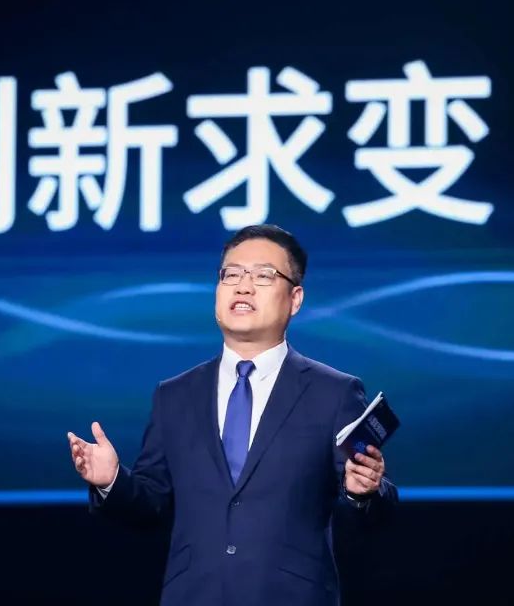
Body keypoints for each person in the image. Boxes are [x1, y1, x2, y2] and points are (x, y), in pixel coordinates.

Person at [67, 224, 397, 606]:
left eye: (263, 276)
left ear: (295, 299)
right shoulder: (174, 395)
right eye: (232, 274)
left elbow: (373, 513)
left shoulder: (334, 392)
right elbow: (151, 504)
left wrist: (364, 492)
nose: (243, 287)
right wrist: (112, 481)